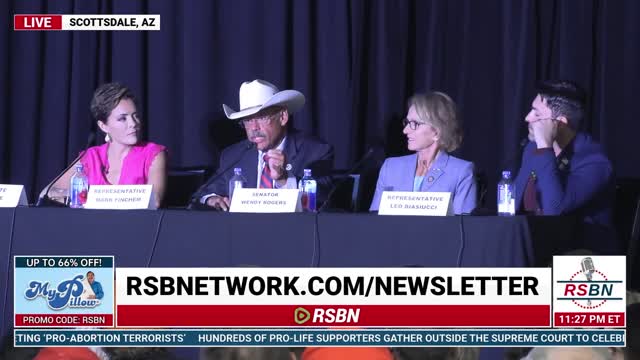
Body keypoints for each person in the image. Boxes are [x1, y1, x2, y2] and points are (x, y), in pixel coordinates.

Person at [192, 79, 334, 210]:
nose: (253, 128)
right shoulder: (233, 155)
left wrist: (285, 179)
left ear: (283, 117)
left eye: (261, 117)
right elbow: (203, 193)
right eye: (247, 120)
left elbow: (326, 199)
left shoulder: (316, 151)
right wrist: (211, 199)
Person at [515, 80, 616, 253]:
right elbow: (515, 204)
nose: (527, 118)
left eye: (536, 114)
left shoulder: (595, 162)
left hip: (585, 256)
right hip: (538, 242)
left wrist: (545, 148)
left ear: (559, 123)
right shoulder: (533, 148)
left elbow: (554, 209)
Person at [40, 82, 167, 208]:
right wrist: (80, 198)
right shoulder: (91, 156)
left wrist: (94, 199)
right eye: (123, 118)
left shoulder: (153, 154)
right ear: (103, 126)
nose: (133, 123)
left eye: (136, 116)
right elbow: (47, 193)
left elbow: (155, 201)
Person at [369, 92, 477, 214]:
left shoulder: (460, 172)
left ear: (437, 132)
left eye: (414, 124)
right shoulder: (391, 167)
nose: (405, 130)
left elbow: (463, 226)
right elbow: (375, 219)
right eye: (407, 122)